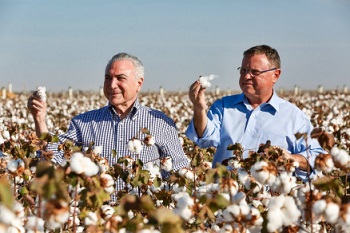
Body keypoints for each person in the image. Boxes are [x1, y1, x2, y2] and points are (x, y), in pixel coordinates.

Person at [27, 52, 189, 192]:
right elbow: (53, 157)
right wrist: (40, 119)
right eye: (108, 78)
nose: (112, 85)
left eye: (120, 78)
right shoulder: (83, 123)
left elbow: (177, 173)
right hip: (97, 217)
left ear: (139, 83)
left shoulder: (160, 123)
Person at [186, 45, 325, 180]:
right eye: (243, 70)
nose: (246, 76)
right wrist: (199, 109)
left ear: (275, 75)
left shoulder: (294, 117)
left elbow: (318, 158)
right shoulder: (223, 107)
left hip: (270, 200)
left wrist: (292, 158)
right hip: (224, 195)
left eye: (255, 72)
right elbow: (204, 139)